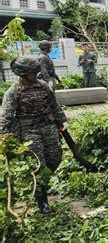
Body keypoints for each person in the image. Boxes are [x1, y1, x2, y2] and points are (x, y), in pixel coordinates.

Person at [0, 57, 68, 214]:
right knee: (38, 165)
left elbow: (53, 104)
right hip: (29, 131)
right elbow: (6, 116)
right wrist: (3, 137)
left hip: (48, 126)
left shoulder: (43, 85)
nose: (36, 74)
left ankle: (44, 182)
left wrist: (62, 120)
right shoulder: (13, 92)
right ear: (23, 74)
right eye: (32, 72)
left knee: (55, 157)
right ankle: (42, 200)